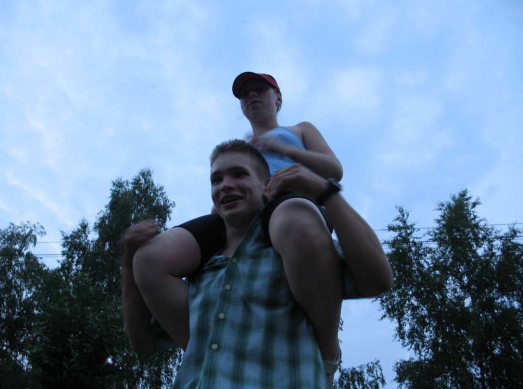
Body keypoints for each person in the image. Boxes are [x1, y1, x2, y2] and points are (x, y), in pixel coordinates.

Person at [122, 140, 392, 388]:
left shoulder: (296, 254)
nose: (225, 185)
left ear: (266, 185)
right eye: (216, 180)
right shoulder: (200, 268)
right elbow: (142, 343)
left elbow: (379, 279)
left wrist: (327, 193)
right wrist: (129, 263)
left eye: (239, 174)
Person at [125, 72, 346, 369]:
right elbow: (227, 188)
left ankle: (328, 350)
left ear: (278, 99)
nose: (252, 95)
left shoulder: (300, 130)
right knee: (151, 258)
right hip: (238, 215)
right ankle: (203, 354)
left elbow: (334, 169)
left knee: (296, 223)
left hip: (288, 201)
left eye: (260, 89)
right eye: (245, 94)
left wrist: (285, 150)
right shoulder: (240, 148)